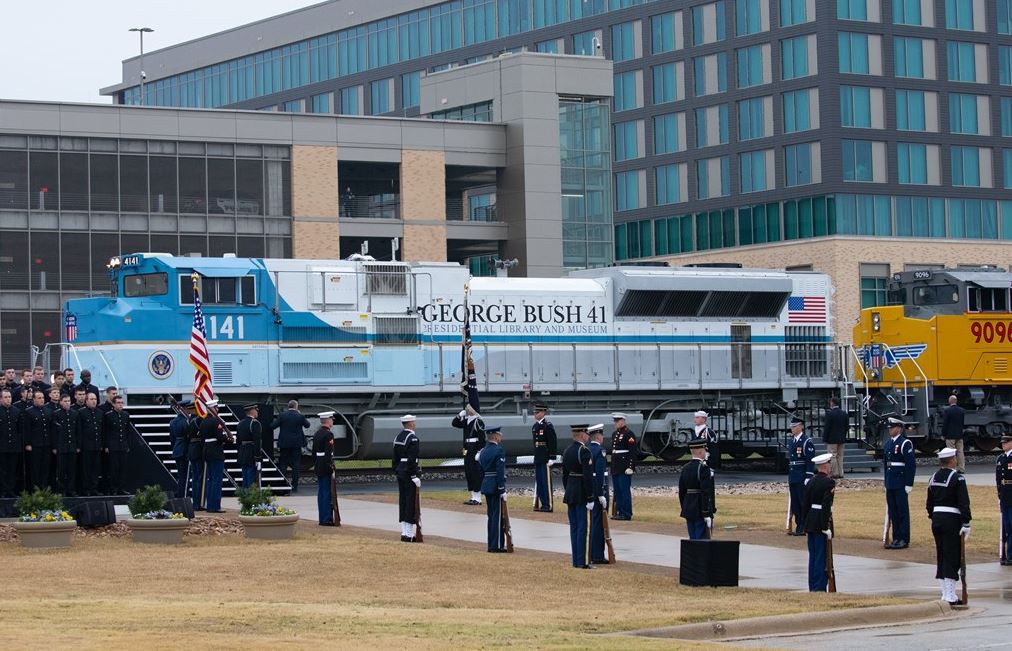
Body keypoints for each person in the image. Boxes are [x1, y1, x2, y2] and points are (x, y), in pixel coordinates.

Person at [926, 447, 971, 605]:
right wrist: (966, 522)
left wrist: (934, 517)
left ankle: (945, 593)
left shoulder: (933, 477)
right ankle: (950, 595)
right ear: (952, 460)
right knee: (952, 556)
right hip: (952, 520)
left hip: (937, 519)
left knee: (942, 555)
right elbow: (963, 503)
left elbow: (929, 504)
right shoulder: (958, 478)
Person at [802, 453, 836, 592]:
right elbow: (826, 505)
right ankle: (820, 586)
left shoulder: (811, 481)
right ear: (825, 466)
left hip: (811, 521)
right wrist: (825, 527)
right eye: (829, 464)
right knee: (822, 556)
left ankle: (813, 585)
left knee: (813, 556)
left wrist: (804, 523)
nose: (830, 467)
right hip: (820, 521)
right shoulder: (829, 483)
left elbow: (805, 504)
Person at [563, 424, 595, 569]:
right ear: (582, 435)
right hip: (582, 494)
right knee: (584, 529)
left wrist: (568, 490)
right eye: (587, 434)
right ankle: (583, 561)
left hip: (571, 492)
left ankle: (576, 560)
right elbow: (588, 477)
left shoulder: (567, 450)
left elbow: (564, 475)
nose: (588, 437)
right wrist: (590, 497)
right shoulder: (584, 451)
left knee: (574, 528)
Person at [884, 417, 916, 549]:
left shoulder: (905, 443)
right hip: (891, 482)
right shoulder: (888, 443)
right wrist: (886, 482)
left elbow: (910, 465)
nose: (890, 430)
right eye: (889, 428)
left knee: (902, 511)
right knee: (893, 511)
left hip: (900, 482)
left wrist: (909, 483)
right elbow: (886, 465)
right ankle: (896, 537)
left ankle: (903, 538)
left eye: (892, 427)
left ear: (899, 428)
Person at [679, 437, 716, 540]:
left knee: (692, 539)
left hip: (688, 508)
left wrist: (684, 507)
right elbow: (706, 492)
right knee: (701, 540)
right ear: (700, 452)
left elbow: (682, 492)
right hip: (700, 509)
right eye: (705, 450)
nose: (706, 453)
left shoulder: (685, 468)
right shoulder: (704, 468)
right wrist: (707, 513)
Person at [478, 425, 507, 553]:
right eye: (499, 435)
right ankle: (497, 545)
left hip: (486, 484)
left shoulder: (483, 451)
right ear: (495, 436)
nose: (501, 437)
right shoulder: (498, 450)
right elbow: (500, 472)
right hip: (495, 486)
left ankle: (491, 543)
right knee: (498, 516)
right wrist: (502, 489)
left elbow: (481, 469)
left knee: (491, 516)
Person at [393, 414, 421, 542]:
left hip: (400, 471)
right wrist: (414, 476)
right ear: (410, 424)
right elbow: (412, 460)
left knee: (403, 501)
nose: (415, 424)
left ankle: (404, 531)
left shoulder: (398, 437)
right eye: (414, 422)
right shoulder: (413, 439)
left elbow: (395, 458)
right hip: (409, 473)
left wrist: (397, 470)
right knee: (410, 502)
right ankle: (409, 534)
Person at [272, 400, 310, 494]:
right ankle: (295, 487)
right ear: (296, 407)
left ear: (288, 406)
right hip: (297, 444)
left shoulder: (282, 415)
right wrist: (300, 415)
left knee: (283, 464)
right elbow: (307, 425)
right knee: (296, 465)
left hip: (284, 443)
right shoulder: (300, 416)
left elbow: (273, 426)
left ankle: (283, 484)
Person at [786, 416, 815, 536]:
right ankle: (799, 525)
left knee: (803, 501)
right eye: (791, 427)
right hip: (793, 475)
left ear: (801, 426)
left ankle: (804, 526)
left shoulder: (806, 441)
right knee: (795, 503)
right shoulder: (792, 441)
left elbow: (810, 460)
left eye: (794, 426)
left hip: (802, 475)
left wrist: (808, 476)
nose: (792, 429)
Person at [201, 399, 229, 513]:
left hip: (207, 451)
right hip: (216, 451)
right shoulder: (216, 421)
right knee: (217, 480)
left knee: (211, 479)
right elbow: (219, 436)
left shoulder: (204, 421)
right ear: (212, 408)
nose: (217, 409)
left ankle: (209, 505)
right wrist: (229, 439)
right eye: (216, 407)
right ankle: (215, 506)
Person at [453, 406, 485, 505]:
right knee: (469, 471)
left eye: (469, 408)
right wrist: (459, 416)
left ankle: (478, 498)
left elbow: (482, 438)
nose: (467, 410)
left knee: (476, 472)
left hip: (474, 447)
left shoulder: (478, 422)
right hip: (467, 448)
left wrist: (480, 451)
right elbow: (454, 423)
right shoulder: (467, 421)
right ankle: (473, 496)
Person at [587, 424, 609, 563]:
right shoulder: (600, 451)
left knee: (592, 522)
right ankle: (598, 555)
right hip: (599, 490)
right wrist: (601, 493)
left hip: (590, 489)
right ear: (599, 437)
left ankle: (591, 552)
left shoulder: (587, 450)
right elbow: (600, 474)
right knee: (599, 523)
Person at [610, 412, 637, 520]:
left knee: (624, 490)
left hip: (624, 466)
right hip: (616, 466)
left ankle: (626, 513)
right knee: (617, 491)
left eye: (617, 421)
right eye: (615, 421)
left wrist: (631, 467)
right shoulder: (615, 434)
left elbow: (632, 452)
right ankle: (619, 511)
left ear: (623, 421)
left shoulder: (629, 434)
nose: (615, 423)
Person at [75, 392, 103, 495]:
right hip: (86, 446)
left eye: (95, 399)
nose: (94, 401)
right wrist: (79, 445)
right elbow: (79, 430)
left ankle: (94, 488)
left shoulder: (100, 413)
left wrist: (101, 444)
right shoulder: (81, 412)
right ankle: (86, 489)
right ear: (86, 401)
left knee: (95, 468)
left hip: (97, 445)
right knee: (86, 469)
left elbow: (102, 430)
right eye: (91, 399)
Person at [22, 390, 51, 489]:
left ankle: (44, 488)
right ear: (33, 399)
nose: (42, 400)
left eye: (42, 398)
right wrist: (27, 443)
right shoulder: (29, 411)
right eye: (39, 398)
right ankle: (35, 489)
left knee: (45, 467)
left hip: (46, 443)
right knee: (35, 467)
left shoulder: (48, 411)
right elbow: (27, 429)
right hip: (35, 444)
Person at [103, 395, 132, 495]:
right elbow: (106, 431)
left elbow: (127, 431)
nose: (120, 405)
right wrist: (106, 446)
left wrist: (127, 444)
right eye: (118, 403)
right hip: (113, 445)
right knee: (113, 468)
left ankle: (121, 488)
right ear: (113, 404)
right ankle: (113, 488)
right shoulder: (108, 415)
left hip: (123, 445)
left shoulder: (126, 415)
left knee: (123, 468)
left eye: (121, 403)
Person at [531, 403, 557, 512]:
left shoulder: (547, 426)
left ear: (543, 413)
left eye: (537, 412)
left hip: (545, 457)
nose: (535, 414)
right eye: (534, 412)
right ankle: (542, 503)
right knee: (540, 481)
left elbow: (552, 442)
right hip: (538, 457)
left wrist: (552, 457)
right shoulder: (535, 426)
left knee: (546, 482)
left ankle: (548, 505)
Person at [51, 394, 78, 496]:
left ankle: (70, 489)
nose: (67, 403)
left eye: (69, 401)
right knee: (61, 470)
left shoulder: (75, 413)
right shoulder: (56, 414)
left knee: (72, 470)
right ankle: (61, 490)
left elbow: (77, 431)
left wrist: (77, 446)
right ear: (61, 402)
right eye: (65, 401)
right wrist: (54, 447)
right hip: (61, 446)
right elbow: (54, 432)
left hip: (72, 446)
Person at [313, 411, 337, 526]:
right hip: (325, 465)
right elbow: (328, 454)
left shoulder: (317, 433)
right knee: (327, 492)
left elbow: (313, 453)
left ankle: (322, 517)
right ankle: (327, 518)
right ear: (328, 420)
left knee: (321, 492)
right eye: (332, 419)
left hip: (319, 464)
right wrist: (330, 466)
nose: (332, 421)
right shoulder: (329, 435)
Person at [168, 400, 193, 498]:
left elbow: (172, 439)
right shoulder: (186, 421)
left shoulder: (173, 422)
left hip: (177, 450)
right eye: (188, 408)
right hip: (184, 451)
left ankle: (180, 495)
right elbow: (187, 438)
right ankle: (183, 497)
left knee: (181, 475)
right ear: (184, 409)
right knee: (185, 476)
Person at [0, 389, 21, 498]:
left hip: (14, 446)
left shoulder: (16, 411)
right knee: (2, 470)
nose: (8, 399)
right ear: (1, 399)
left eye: (9, 397)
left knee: (12, 470)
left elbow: (19, 430)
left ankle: (11, 490)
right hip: (2, 446)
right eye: (5, 397)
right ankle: (3, 490)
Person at [237, 403, 262, 489]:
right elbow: (257, 441)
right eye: (256, 410)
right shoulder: (255, 423)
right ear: (252, 411)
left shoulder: (240, 423)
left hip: (243, 453)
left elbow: (238, 441)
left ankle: (244, 496)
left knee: (245, 478)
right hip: (252, 453)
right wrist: (258, 457)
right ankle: (250, 496)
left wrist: (240, 453)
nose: (257, 411)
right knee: (252, 479)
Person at [996, 434, 1012, 566]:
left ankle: (1011, 555)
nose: (1003, 445)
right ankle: (1006, 555)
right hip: (1004, 495)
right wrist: (999, 494)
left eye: (1006, 442)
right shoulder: (1001, 458)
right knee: (1007, 526)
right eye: (1002, 443)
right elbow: (998, 478)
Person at [823, 397, 848, 479]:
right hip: (842, 438)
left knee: (832, 455)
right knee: (840, 456)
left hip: (832, 439)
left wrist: (825, 438)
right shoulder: (844, 413)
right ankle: (841, 473)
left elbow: (827, 427)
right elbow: (846, 427)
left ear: (832, 403)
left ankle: (835, 473)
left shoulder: (830, 414)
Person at [187, 407, 206, 509]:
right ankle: (198, 503)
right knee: (199, 478)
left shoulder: (189, 421)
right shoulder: (199, 420)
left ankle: (195, 502)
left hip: (191, 449)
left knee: (195, 478)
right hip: (198, 450)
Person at [942, 395, 966, 473]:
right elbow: (962, 423)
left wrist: (943, 434)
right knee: (960, 452)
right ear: (956, 401)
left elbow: (945, 424)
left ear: (950, 401)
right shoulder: (961, 410)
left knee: (951, 452)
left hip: (950, 435)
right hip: (959, 435)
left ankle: (953, 468)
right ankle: (961, 468)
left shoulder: (947, 411)